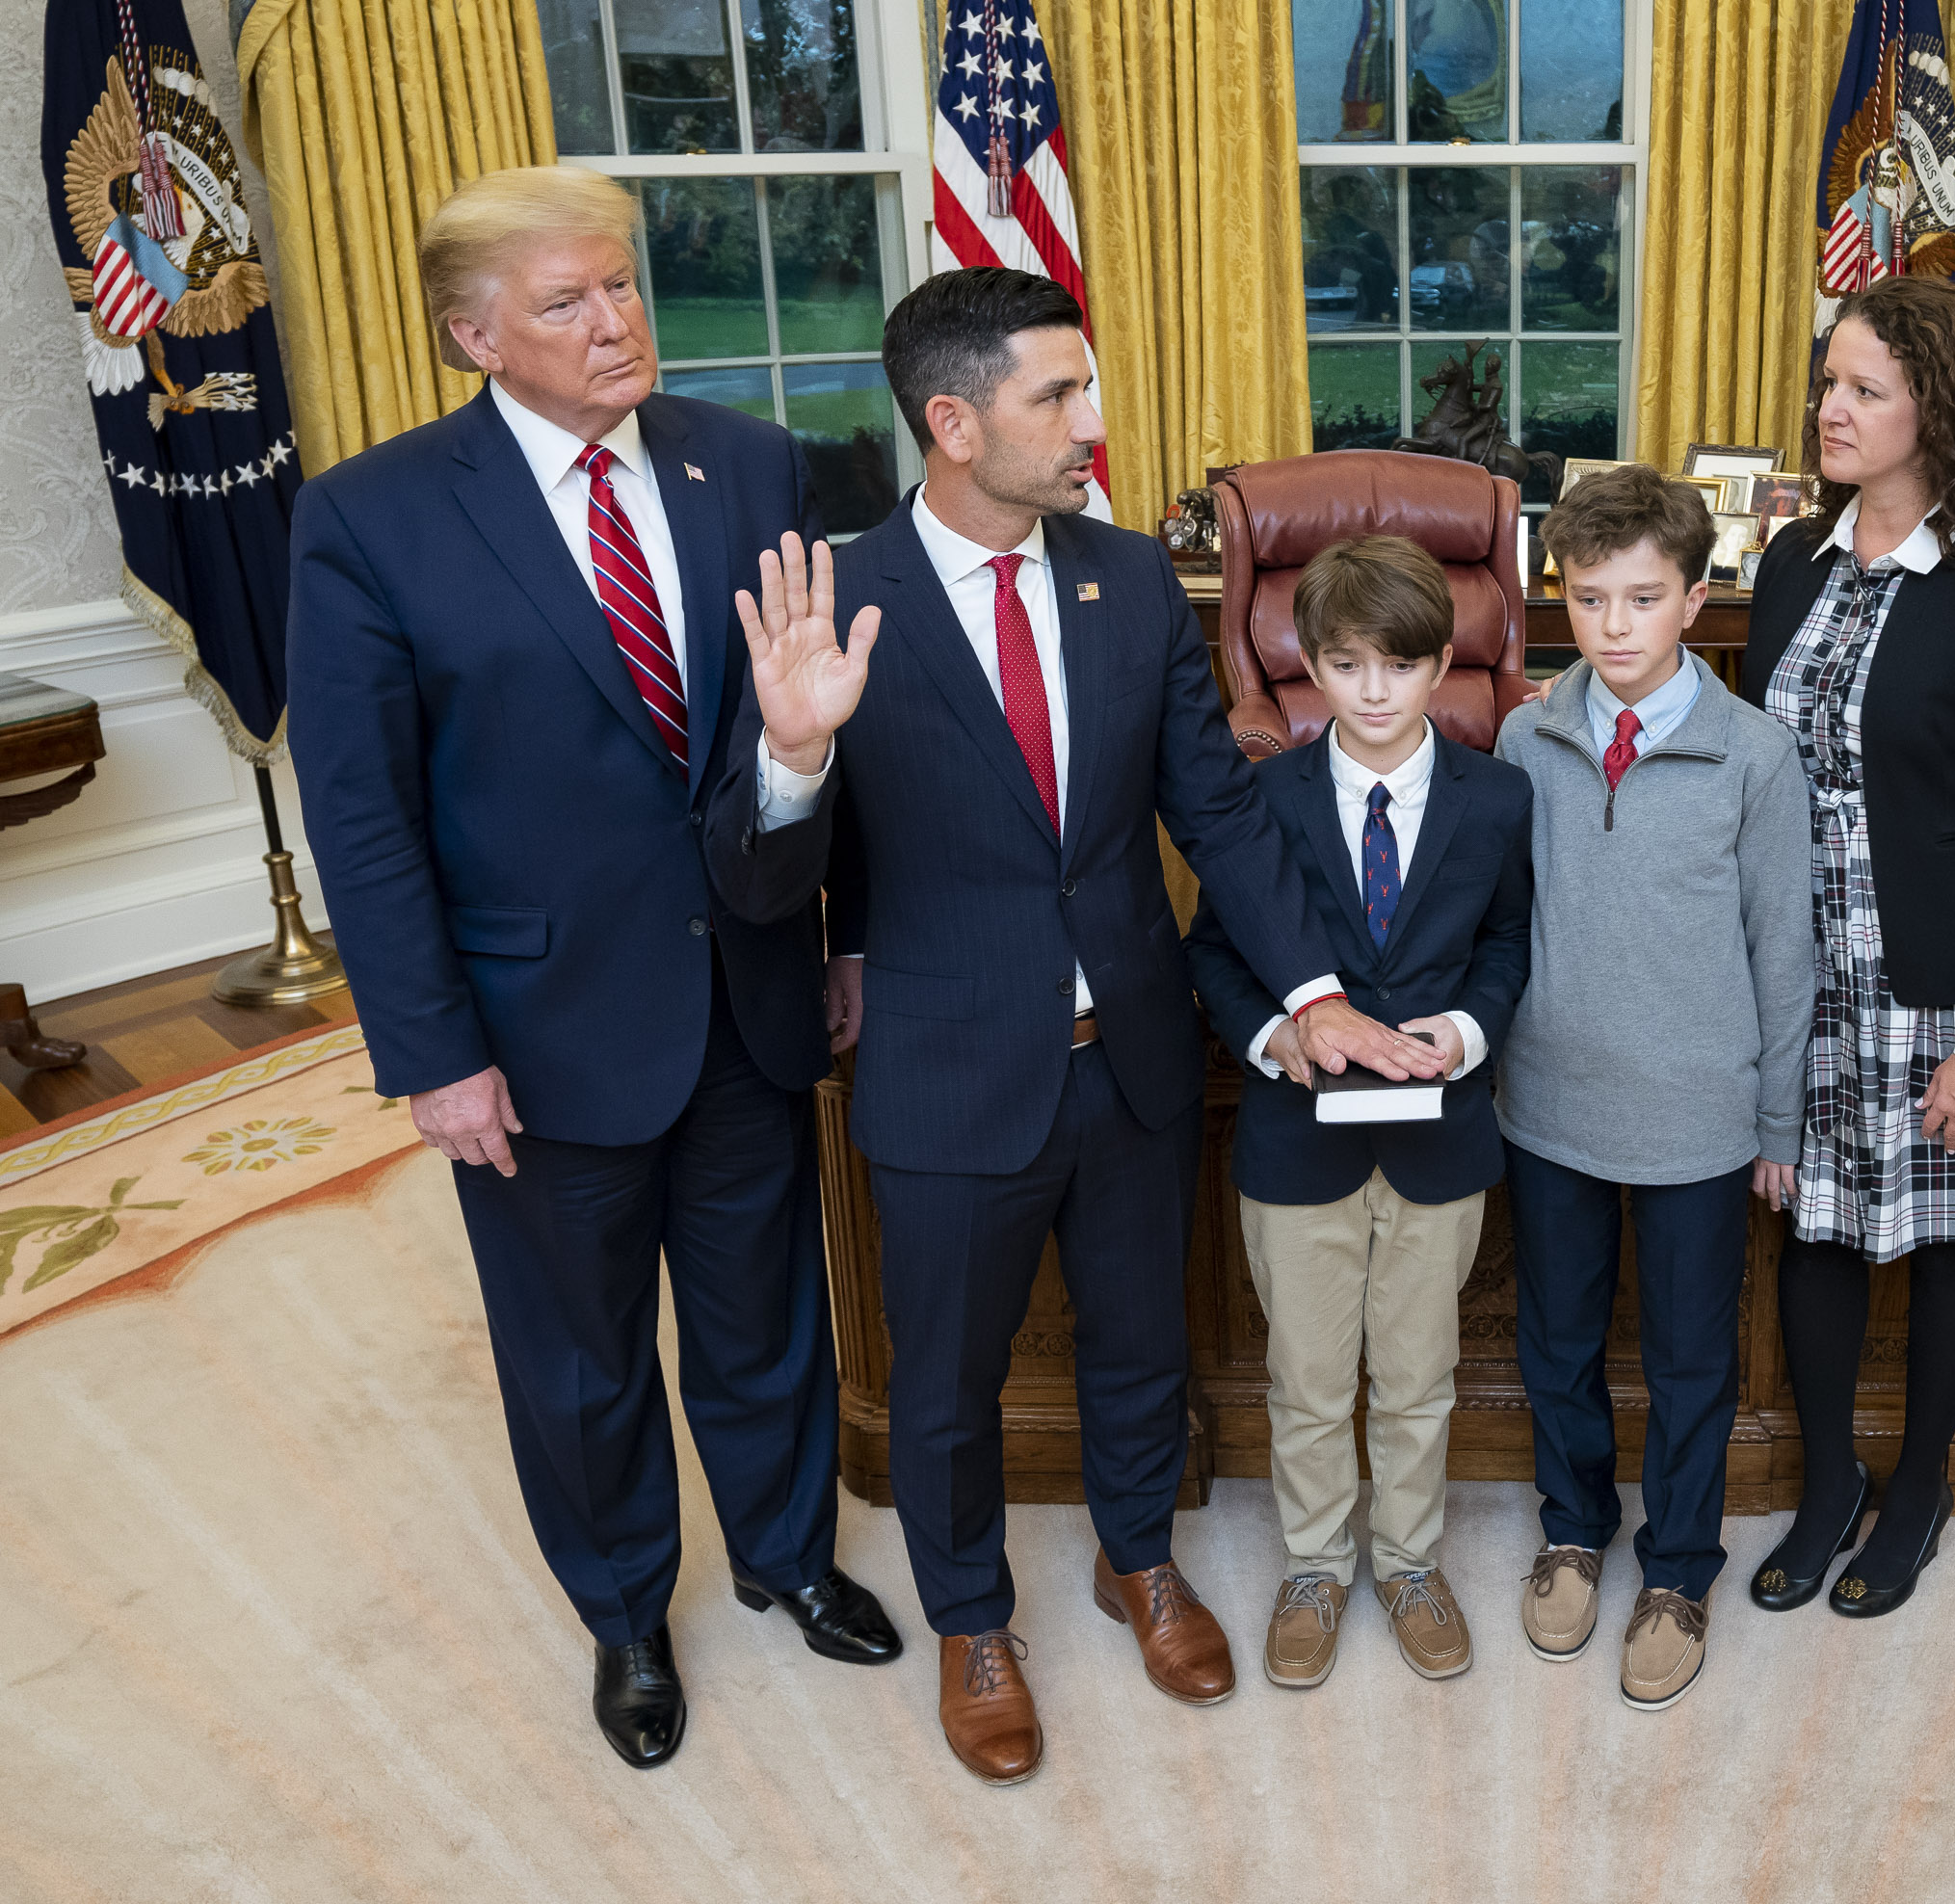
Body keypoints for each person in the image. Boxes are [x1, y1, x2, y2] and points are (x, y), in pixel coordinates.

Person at [704, 266, 1443, 1787]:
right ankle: (973, 1618)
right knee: (949, 1383)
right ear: (954, 420)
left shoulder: (1124, 584)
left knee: (1138, 1349)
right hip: (947, 1065)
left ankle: (1136, 1563)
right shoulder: (834, 604)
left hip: (1136, 1061)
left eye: (1089, 389)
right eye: (1061, 396)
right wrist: (791, 752)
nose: (1095, 424)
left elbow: (1221, 818)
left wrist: (1316, 992)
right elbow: (757, 880)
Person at [288, 166, 900, 1772]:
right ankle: (626, 1608)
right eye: (566, 301)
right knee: (582, 1354)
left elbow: (806, 727)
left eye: (621, 285)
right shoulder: (372, 518)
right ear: (471, 335)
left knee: (768, 1318)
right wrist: (431, 1052)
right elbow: (361, 817)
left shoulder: (748, 460)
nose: (616, 321)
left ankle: (783, 1558)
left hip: (748, 991)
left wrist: (834, 936)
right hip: (533, 1026)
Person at [1738, 277, 1955, 1621]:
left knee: (1950, 1244)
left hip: (1952, 985)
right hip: (1811, 975)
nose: (1831, 408)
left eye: (1864, 389)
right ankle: (1830, 1484)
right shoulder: (1790, 563)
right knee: (1817, 1237)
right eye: (1829, 382)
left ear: (1939, 409)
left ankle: (1923, 1484)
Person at [1183, 535, 1534, 1690]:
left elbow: (1506, 942)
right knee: (1310, 1376)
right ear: (1307, 668)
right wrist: (1275, 1033)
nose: (1374, 692)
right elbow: (1218, 953)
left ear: (1444, 667)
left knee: (1422, 1373)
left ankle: (1410, 1559)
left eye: (1399, 665)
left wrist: (1470, 1033)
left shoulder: (1498, 795)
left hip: (1440, 1141)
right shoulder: (1261, 798)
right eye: (1346, 665)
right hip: (1297, 1143)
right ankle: (1316, 1564)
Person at [1494, 465, 1814, 1712]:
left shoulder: (1755, 755)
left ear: (1695, 598)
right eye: (1588, 599)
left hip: (1700, 1117)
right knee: (1558, 1343)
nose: (1615, 626)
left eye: (1643, 598)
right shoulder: (1528, 735)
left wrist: (1777, 1119)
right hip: (1549, 1107)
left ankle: (1678, 1568)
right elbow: (1508, 921)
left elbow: (1783, 950)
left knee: (1690, 1361)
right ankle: (1574, 1529)